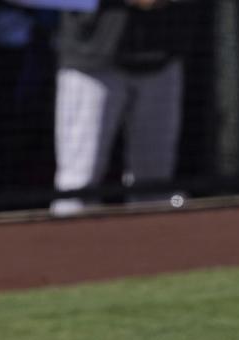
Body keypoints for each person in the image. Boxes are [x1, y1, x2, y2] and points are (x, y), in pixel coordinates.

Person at [50, 0, 185, 215]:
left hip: (161, 54)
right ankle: (64, 246)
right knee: (78, 183)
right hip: (91, 57)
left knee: (155, 183)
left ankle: (155, 245)